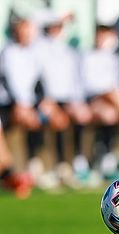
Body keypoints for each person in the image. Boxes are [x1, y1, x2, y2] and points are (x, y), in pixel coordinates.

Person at [0, 17, 70, 188]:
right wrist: (19, 104)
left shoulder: (35, 53)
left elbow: (39, 82)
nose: (27, 35)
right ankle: (20, 170)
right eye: (23, 31)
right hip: (9, 105)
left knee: (59, 119)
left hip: (31, 103)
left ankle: (56, 166)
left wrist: (45, 101)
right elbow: (8, 82)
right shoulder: (8, 53)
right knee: (31, 120)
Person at [35, 13, 95, 184]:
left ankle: (79, 161)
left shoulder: (69, 51)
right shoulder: (39, 47)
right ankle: (55, 165)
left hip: (68, 99)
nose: (58, 29)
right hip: (45, 100)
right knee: (57, 121)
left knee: (81, 116)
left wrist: (78, 102)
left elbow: (75, 80)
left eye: (60, 26)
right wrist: (45, 100)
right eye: (55, 26)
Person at [83, 24, 119, 175]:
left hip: (117, 102)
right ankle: (105, 153)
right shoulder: (88, 58)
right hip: (96, 100)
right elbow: (90, 86)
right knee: (111, 115)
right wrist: (114, 98)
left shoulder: (116, 60)